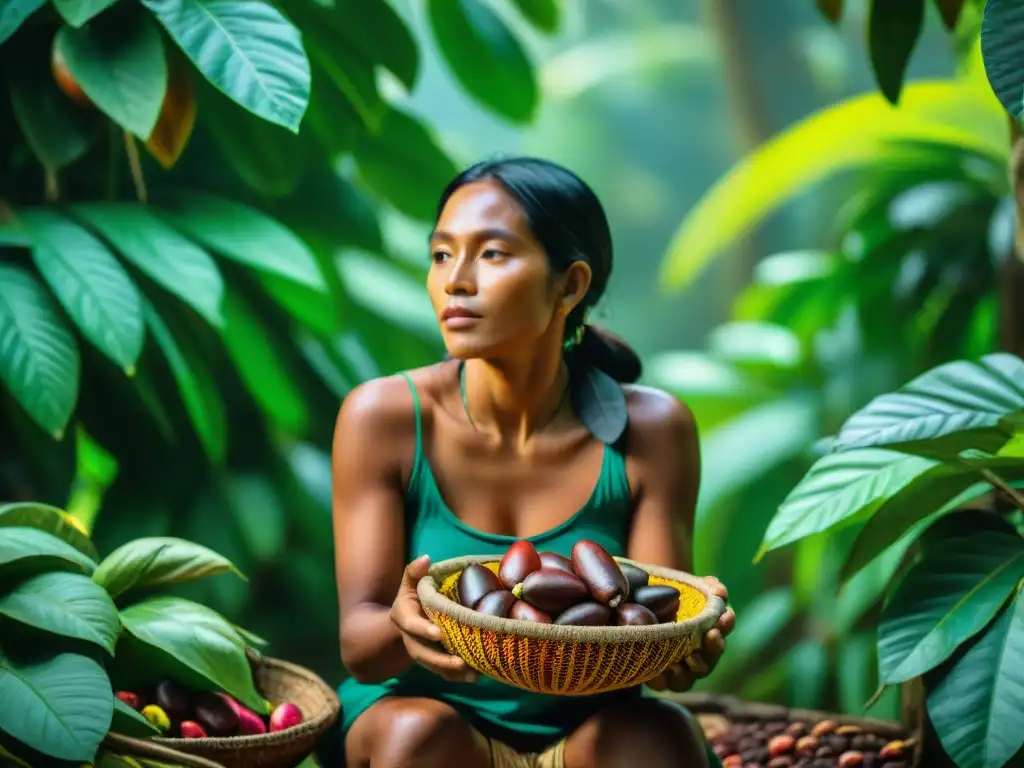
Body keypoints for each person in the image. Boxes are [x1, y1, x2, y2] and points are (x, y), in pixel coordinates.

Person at [331, 156, 735, 768]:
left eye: (491, 254)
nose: (455, 281)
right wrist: (408, 623)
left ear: (569, 286)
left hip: (587, 737)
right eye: (441, 255)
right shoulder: (382, 417)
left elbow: (648, 628)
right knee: (415, 737)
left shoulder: (654, 431)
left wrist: (685, 648)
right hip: (425, 729)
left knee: (659, 738)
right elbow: (359, 645)